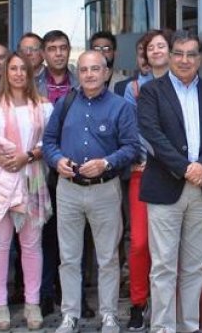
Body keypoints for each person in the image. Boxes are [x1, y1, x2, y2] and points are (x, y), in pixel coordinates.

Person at [42, 50, 139, 333]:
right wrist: (57, 159)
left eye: (95, 69)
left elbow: (132, 147)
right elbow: (48, 141)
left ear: (106, 72)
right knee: (69, 257)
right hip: (68, 189)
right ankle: (69, 315)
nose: (89, 74)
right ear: (78, 73)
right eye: (84, 70)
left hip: (105, 189)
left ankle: (109, 314)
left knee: (108, 257)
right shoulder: (65, 102)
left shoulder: (121, 107)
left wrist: (106, 163)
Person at [137, 30, 202, 333]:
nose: (185, 60)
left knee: (195, 266)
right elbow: (152, 135)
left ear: (200, 58)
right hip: (166, 187)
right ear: (170, 56)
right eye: (179, 53)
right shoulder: (152, 91)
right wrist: (187, 168)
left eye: (191, 54)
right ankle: (162, 328)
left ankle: (189, 326)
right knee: (163, 266)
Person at [0, 52, 55, 331]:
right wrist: (0, 158)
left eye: (23, 68)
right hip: (0, 183)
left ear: (31, 73)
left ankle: (32, 304)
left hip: (32, 179)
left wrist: (28, 156)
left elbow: (51, 143)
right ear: (5, 73)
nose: (19, 73)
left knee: (31, 245)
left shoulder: (43, 106)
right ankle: (0, 305)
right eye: (13, 68)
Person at [122, 29, 172, 331]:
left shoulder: (182, 83)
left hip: (176, 174)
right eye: (149, 47)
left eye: (161, 46)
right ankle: (138, 303)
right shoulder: (134, 89)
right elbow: (132, 129)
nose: (155, 51)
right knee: (140, 243)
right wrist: (142, 157)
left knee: (170, 248)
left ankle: (170, 305)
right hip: (144, 172)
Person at [37, 31, 78, 103]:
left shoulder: (80, 84)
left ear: (69, 51)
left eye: (63, 48)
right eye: (52, 49)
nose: (58, 53)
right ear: (43, 54)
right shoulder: (32, 85)